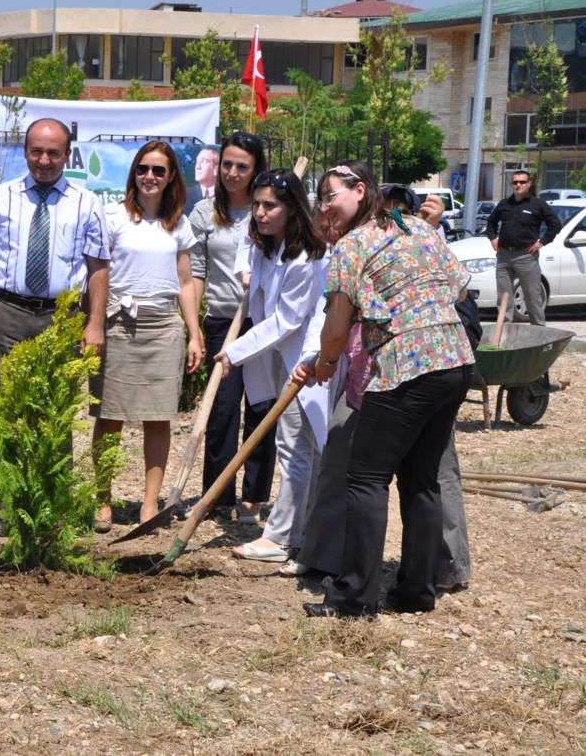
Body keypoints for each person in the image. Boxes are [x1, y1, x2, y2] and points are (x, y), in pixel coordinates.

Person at [299, 161, 475, 619]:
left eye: (330, 195)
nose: (324, 207)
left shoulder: (352, 246)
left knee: (367, 479)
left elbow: (335, 328)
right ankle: (416, 591)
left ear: (360, 191)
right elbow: (457, 288)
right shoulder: (417, 228)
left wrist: (325, 363)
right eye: (319, 200)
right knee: (420, 479)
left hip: (406, 364)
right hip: (453, 359)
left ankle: (352, 598)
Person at [90, 141, 204, 530]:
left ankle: (149, 505)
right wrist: (94, 323)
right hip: (118, 324)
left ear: (171, 176)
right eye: (143, 169)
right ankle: (102, 501)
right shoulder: (113, 216)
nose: (149, 177)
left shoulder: (179, 223)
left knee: (158, 418)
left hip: (163, 328)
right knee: (110, 416)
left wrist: (193, 333)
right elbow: (98, 271)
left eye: (158, 170)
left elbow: (186, 282)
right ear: (133, 173)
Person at [216, 169, 328, 562]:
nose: (260, 213)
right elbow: (247, 264)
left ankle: (281, 537)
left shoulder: (304, 256)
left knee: (296, 444)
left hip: (305, 356)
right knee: (301, 446)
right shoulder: (267, 246)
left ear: (291, 208)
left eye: (270, 206)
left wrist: (234, 352)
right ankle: (305, 534)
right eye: (258, 205)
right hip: (280, 355)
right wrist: (247, 273)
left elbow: (287, 321)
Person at [0, 118, 109, 390]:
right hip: (7, 315)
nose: (44, 160)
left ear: (68, 155)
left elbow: (98, 269)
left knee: (56, 414)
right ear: (25, 151)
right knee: (8, 408)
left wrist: (95, 324)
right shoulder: (4, 195)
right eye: (36, 151)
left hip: (61, 319)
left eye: (53, 153)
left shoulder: (86, 203)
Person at [188, 131, 275, 523]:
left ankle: (254, 497)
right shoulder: (205, 214)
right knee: (221, 411)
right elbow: (195, 274)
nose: (233, 173)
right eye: (227, 164)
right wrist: (195, 327)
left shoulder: (271, 210)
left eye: (243, 166)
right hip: (224, 320)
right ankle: (217, 495)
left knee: (260, 407)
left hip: (265, 322)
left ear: (257, 169)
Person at [485, 169, 561, 326]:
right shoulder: (504, 204)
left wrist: (542, 242)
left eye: (522, 182)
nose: (518, 185)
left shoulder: (538, 204)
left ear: (529, 184)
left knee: (532, 296)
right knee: (504, 297)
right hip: (504, 256)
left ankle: (539, 332)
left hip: (526, 257)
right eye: (515, 182)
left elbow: (555, 224)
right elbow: (491, 222)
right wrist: (493, 238)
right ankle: (504, 332)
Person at [186, 146, 219, 213]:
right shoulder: (184, 196)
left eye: (203, 161)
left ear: (216, 168)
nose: (197, 166)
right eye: (197, 161)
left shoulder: (226, 196)